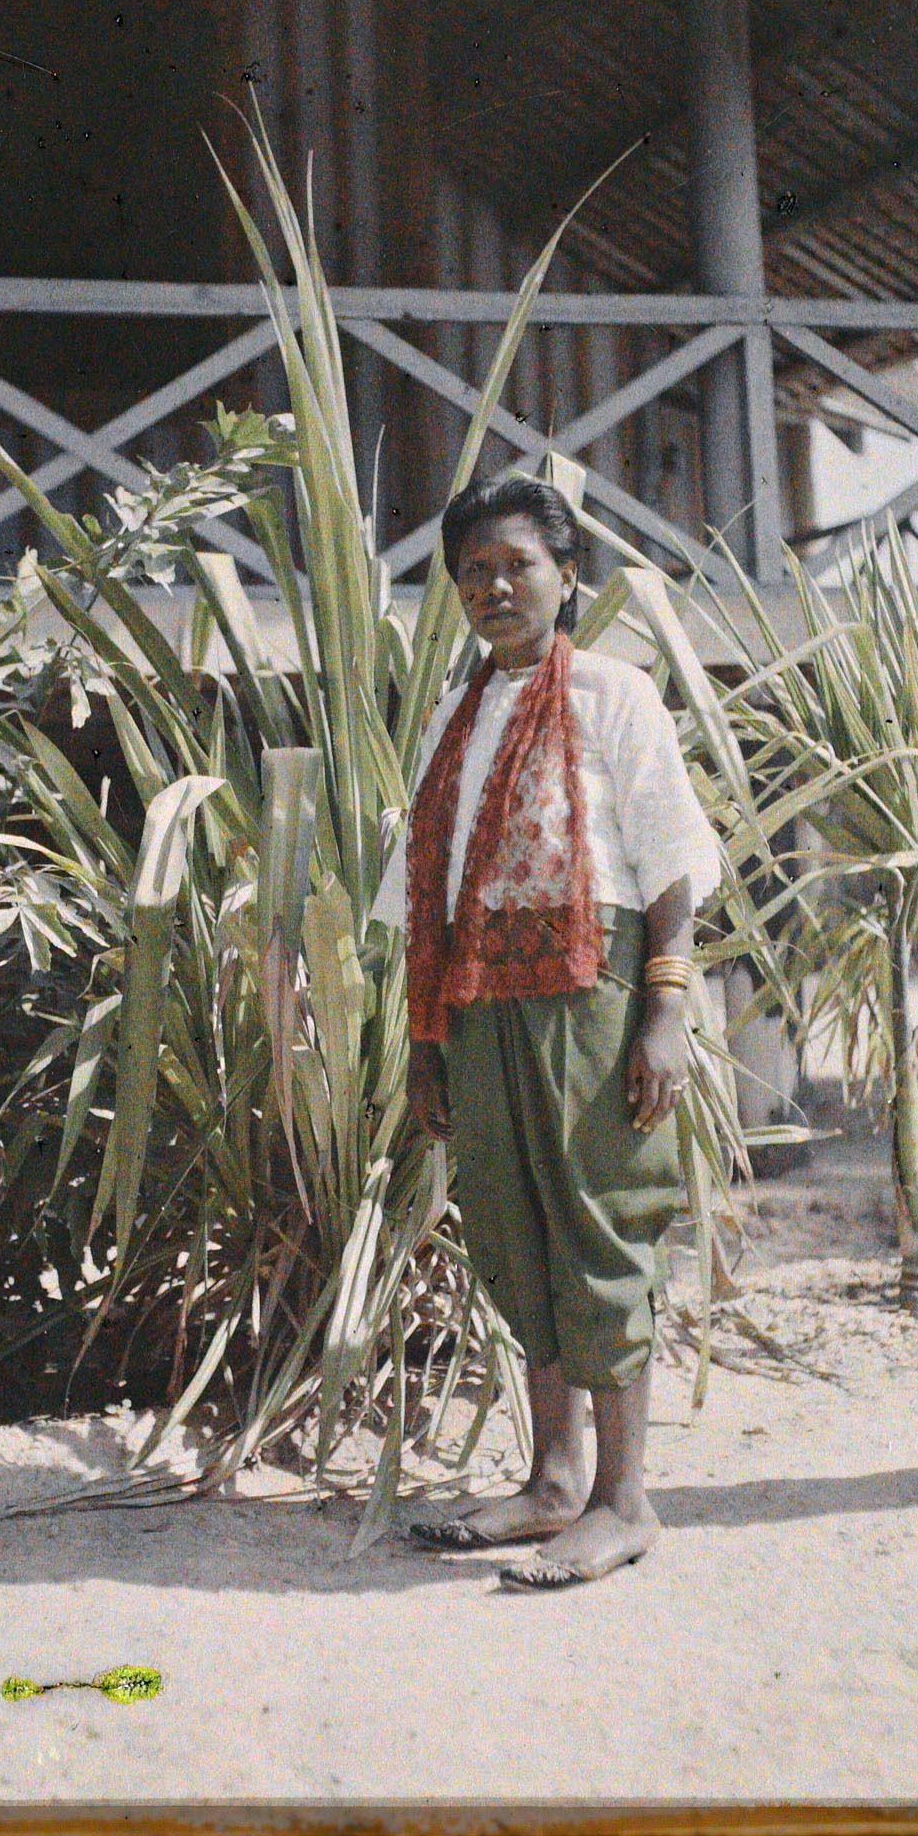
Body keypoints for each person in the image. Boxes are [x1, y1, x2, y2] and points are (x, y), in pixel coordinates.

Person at [369, 473, 722, 1590]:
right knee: (514, 1225)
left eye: (516, 563)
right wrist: (428, 1046)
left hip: (590, 988)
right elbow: (426, 892)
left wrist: (662, 1005)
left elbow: (670, 860)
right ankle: (553, 1479)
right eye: (471, 570)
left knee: (599, 1220)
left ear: (566, 577)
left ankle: (623, 1500)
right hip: (477, 1005)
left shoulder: (614, 693)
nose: (493, 585)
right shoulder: (455, 714)